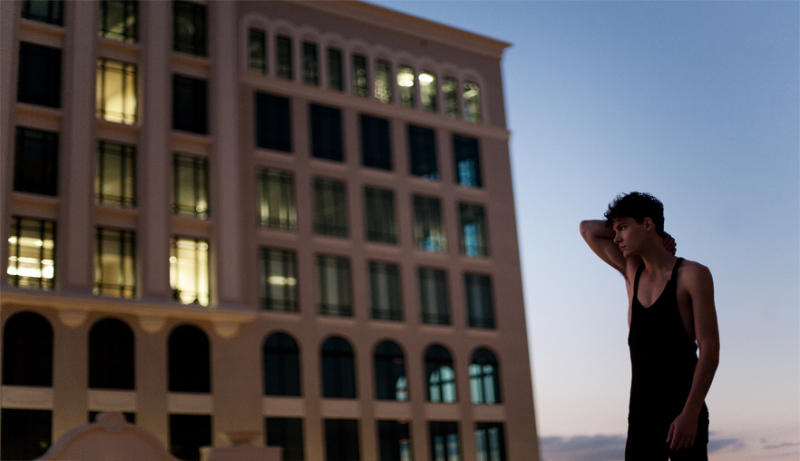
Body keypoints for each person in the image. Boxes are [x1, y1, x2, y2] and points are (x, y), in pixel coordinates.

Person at [580, 192, 720, 461]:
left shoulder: (692, 275)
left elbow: (710, 350)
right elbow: (587, 228)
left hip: (684, 417)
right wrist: (651, 235)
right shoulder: (632, 272)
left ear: (647, 224)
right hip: (641, 422)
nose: (616, 238)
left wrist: (690, 415)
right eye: (614, 230)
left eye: (623, 228)